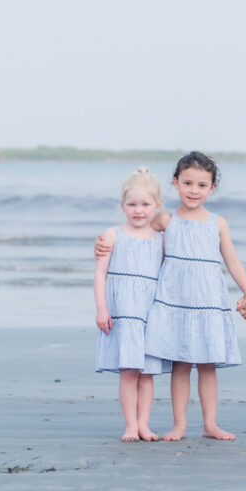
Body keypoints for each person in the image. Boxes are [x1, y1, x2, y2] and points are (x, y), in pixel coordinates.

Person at [143, 151, 246, 441]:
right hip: (175, 303)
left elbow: (231, 260)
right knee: (180, 364)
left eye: (202, 185)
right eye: (188, 183)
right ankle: (180, 424)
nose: (194, 190)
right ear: (175, 183)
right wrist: (107, 242)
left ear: (212, 188)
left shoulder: (217, 223)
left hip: (207, 304)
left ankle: (210, 424)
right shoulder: (165, 220)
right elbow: (136, 237)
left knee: (207, 365)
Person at [93, 168, 171, 442]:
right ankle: (129, 425)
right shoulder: (113, 235)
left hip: (149, 314)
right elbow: (100, 273)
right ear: (122, 206)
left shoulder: (160, 239)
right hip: (123, 314)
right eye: (132, 205)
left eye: (145, 204)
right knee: (128, 371)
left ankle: (144, 424)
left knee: (147, 373)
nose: (139, 211)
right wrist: (102, 308)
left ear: (157, 206)